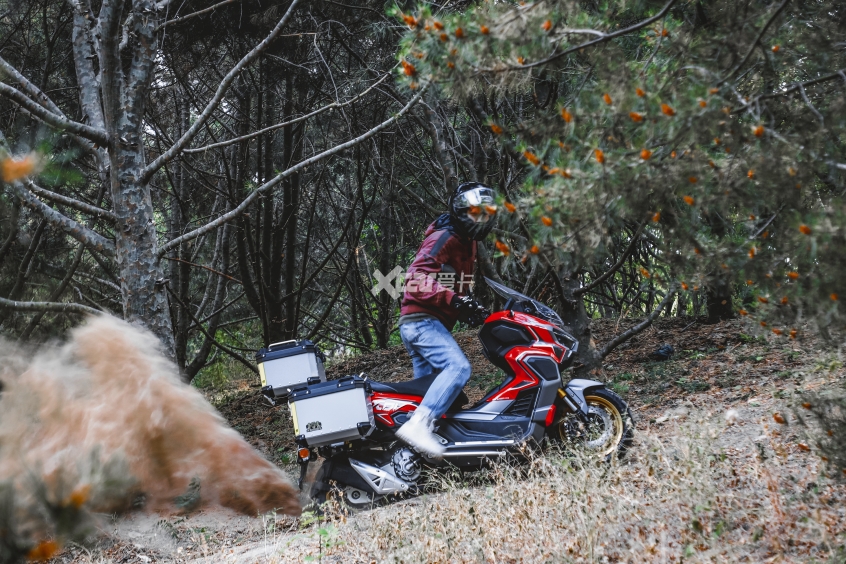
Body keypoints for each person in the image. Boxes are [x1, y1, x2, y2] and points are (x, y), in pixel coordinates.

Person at [394, 182, 497, 458]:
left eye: (486, 214)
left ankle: (413, 458)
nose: (481, 220)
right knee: (458, 368)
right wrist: (453, 300)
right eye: (476, 213)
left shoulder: (468, 242)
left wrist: (468, 306)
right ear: (461, 212)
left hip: (426, 322)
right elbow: (415, 279)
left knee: (428, 393)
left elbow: (452, 283)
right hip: (421, 322)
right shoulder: (446, 237)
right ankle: (418, 426)